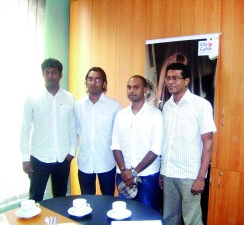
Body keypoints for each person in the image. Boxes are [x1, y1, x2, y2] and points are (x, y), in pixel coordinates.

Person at [160, 63, 217, 225]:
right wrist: (163, 171)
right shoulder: (167, 107)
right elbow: (167, 141)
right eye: (168, 78)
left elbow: (208, 143)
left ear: (186, 81)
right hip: (169, 173)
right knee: (169, 219)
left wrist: (201, 177)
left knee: (192, 220)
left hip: (190, 175)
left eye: (175, 78)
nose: (170, 82)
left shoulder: (201, 105)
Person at [20, 58, 78, 202]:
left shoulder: (69, 98)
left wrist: (71, 153)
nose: (50, 76)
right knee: (35, 197)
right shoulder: (32, 98)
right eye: (47, 73)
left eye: (54, 72)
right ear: (43, 74)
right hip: (39, 157)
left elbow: (73, 127)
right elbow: (25, 129)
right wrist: (25, 158)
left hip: (63, 158)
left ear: (60, 75)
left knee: (60, 198)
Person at [111, 75, 164, 211]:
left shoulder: (155, 115)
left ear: (145, 90)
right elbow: (115, 145)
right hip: (123, 175)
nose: (131, 91)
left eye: (136, 87)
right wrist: (124, 170)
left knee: (147, 215)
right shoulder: (121, 115)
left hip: (148, 176)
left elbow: (155, 149)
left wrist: (134, 172)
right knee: (123, 214)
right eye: (129, 87)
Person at [74, 67, 122, 196]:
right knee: (87, 201)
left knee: (108, 201)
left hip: (106, 162)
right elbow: (77, 131)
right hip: (85, 162)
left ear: (104, 83)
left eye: (97, 79)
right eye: (90, 79)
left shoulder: (115, 106)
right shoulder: (78, 106)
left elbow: (118, 136)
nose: (93, 83)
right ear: (86, 82)